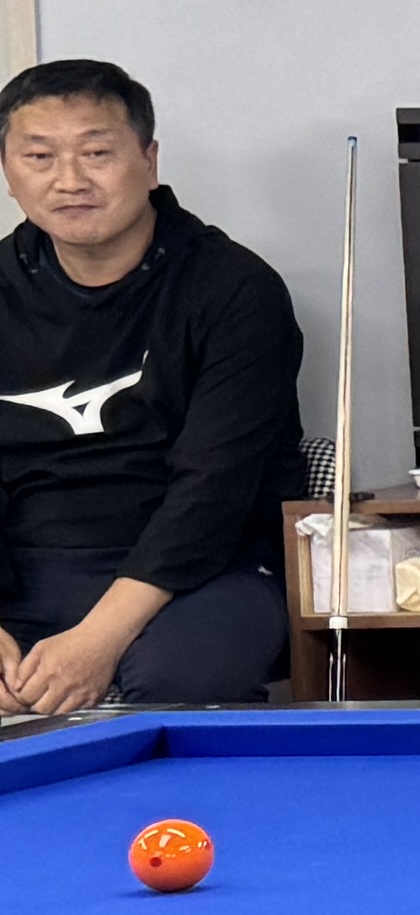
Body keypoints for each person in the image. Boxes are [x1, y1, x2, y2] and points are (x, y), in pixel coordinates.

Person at [0, 58, 310, 718]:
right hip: (25, 567)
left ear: (148, 160)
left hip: (204, 571)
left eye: (97, 153)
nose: (70, 180)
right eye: (39, 156)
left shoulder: (234, 289)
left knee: (182, 680)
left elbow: (213, 491)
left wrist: (99, 639)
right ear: (8, 170)